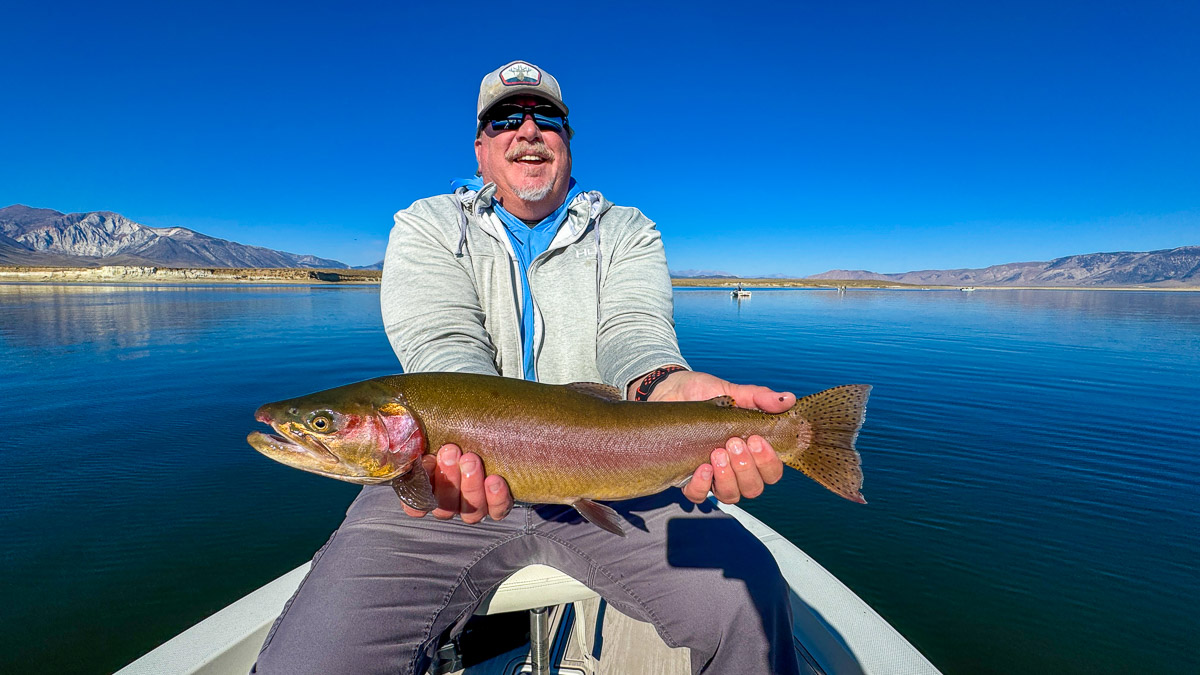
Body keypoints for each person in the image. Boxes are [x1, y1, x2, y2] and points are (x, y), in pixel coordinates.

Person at [253, 60, 801, 675]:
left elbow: (634, 334)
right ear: (482, 147)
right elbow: (442, 346)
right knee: (311, 660)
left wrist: (663, 384)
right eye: (506, 119)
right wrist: (458, 444)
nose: (529, 130)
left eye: (549, 119)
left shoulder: (628, 230)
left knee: (749, 606)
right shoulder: (428, 226)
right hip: (437, 482)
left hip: (623, 479)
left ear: (567, 141)